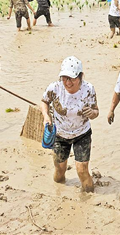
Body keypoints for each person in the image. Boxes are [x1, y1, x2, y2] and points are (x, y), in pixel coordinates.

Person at [40, 56, 98, 193]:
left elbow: (96, 111)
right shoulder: (54, 88)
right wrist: (46, 116)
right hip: (60, 135)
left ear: (80, 76)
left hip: (82, 134)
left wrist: (92, 113)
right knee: (59, 172)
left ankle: (90, 200)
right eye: (64, 78)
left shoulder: (88, 89)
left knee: (82, 170)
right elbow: (44, 102)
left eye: (71, 78)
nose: (68, 82)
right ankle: (58, 194)